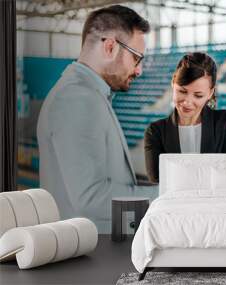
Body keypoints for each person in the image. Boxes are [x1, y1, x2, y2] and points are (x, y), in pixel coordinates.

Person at [37, 5, 150, 233]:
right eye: (136, 58)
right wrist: (167, 194)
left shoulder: (87, 93)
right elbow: (91, 197)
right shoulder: (77, 98)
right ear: (110, 47)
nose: (139, 71)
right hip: (91, 252)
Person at [144, 52, 226, 183]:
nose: (187, 102)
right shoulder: (155, 132)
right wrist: (219, 172)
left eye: (198, 95)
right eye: (182, 91)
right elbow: (157, 180)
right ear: (172, 83)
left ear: (210, 93)